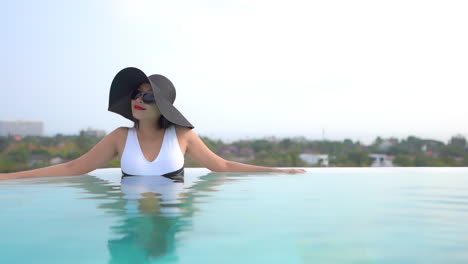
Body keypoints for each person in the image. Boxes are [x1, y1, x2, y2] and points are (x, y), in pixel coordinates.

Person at [0, 67, 306, 181]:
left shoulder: (182, 135)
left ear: (162, 106)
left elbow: (222, 166)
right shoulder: (120, 137)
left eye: (148, 97)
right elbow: (72, 168)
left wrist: (279, 170)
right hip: (130, 220)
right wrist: (6, 178)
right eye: (136, 93)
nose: (139, 100)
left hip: (169, 220)